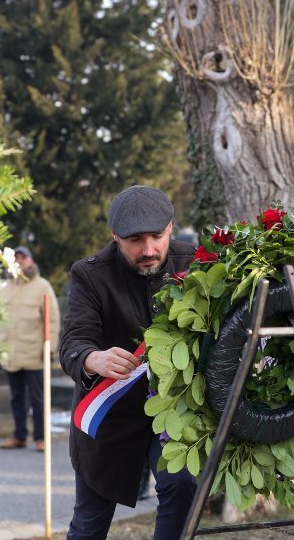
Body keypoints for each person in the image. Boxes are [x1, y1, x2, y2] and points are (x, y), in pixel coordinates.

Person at [60, 185, 197, 540]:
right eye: (135, 240)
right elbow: (73, 341)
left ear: (170, 227)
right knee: (90, 524)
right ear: (115, 236)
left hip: (172, 411)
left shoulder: (197, 263)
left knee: (182, 484)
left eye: (157, 236)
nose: (148, 250)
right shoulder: (89, 275)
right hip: (109, 415)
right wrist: (94, 358)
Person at [0, 246, 60, 452]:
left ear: (31, 261)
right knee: (15, 397)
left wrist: (50, 347)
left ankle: (41, 438)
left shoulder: (42, 286)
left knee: (38, 398)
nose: (20, 262)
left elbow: (52, 319)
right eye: (16, 258)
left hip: (34, 352)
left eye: (23, 258)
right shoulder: (4, 288)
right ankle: (20, 435)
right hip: (11, 352)